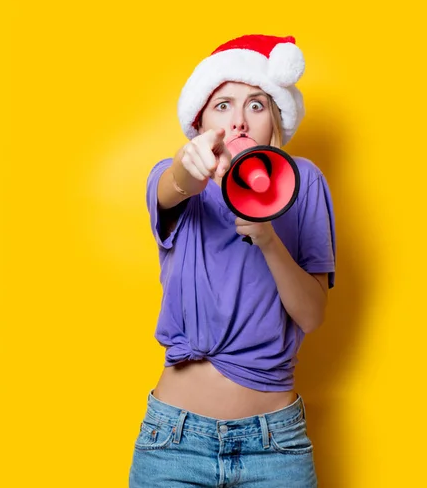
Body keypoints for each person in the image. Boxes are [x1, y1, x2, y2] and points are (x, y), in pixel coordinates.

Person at [129, 34, 336, 487]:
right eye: (223, 105)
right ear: (201, 118)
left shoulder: (306, 183)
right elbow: (173, 184)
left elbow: (313, 315)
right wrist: (190, 167)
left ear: (275, 118)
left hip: (274, 447)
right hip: (175, 446)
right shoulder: (175, 177)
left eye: (256, 105)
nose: (239, 121)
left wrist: (267, 239)